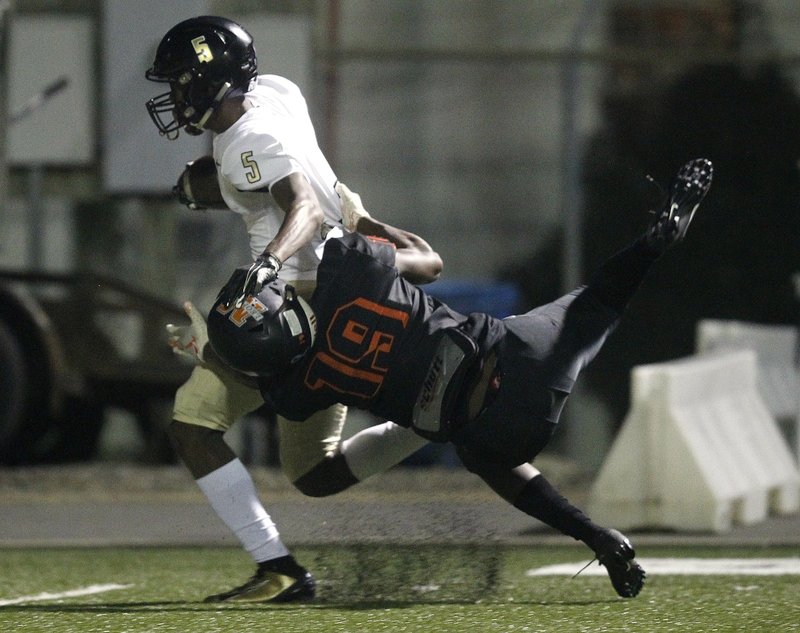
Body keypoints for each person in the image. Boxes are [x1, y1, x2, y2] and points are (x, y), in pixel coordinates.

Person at [208, 157, 715, 599]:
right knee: (600, 299)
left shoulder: (296, 389)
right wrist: (363, 221)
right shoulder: (350, 268)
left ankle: (597, 537)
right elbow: (428, 260)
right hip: (519, 358)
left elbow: (260, 378)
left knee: (482, 452)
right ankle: (653, 244)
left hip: (502, 430)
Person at [145, 15, 431, 603]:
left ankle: (279, 570)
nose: (171, 95)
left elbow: (300, 205)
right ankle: (427, 422)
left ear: (207, 81)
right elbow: (287, 178)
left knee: (193, 424)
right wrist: (217, 192)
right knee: (314, 473)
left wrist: (266, 266)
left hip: (294, 306)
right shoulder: (276, 91)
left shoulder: (245, 141)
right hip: (341, 290)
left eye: (178, 81)